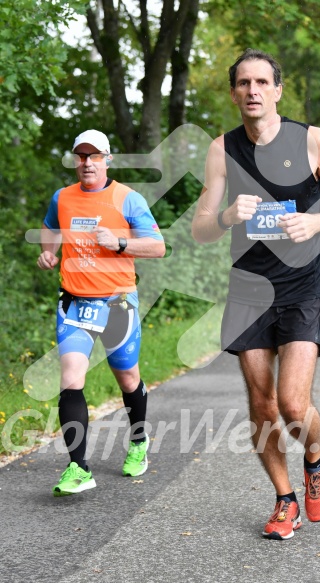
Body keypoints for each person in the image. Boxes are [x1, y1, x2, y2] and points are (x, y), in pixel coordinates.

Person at [192, 49, 320, 540]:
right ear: (233, 93)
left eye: (262, 82)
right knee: (262, 404)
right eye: (243, 83)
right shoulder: (221, 150)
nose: (252, 91)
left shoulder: (311, 140)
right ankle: (284, 498)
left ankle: (316, 458)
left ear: (277, 90)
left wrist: (319, 219)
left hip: (303, 284)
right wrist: (227, 215)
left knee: (292, 403)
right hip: (248, 290)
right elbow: (201, 229)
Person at [37, 129, 165, 496]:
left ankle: (138, 441)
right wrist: (49, 252)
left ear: (107, 159)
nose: (87, 163)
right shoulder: (62, 198)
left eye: (94, 156)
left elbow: (157, 247)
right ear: (75, 160)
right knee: (71, 378)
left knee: (127, 378)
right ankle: (78, 467)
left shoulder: (127, 199)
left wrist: (121, 243)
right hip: (74, 303)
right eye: (81, 156)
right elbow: (50, 229)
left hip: (116, 303)